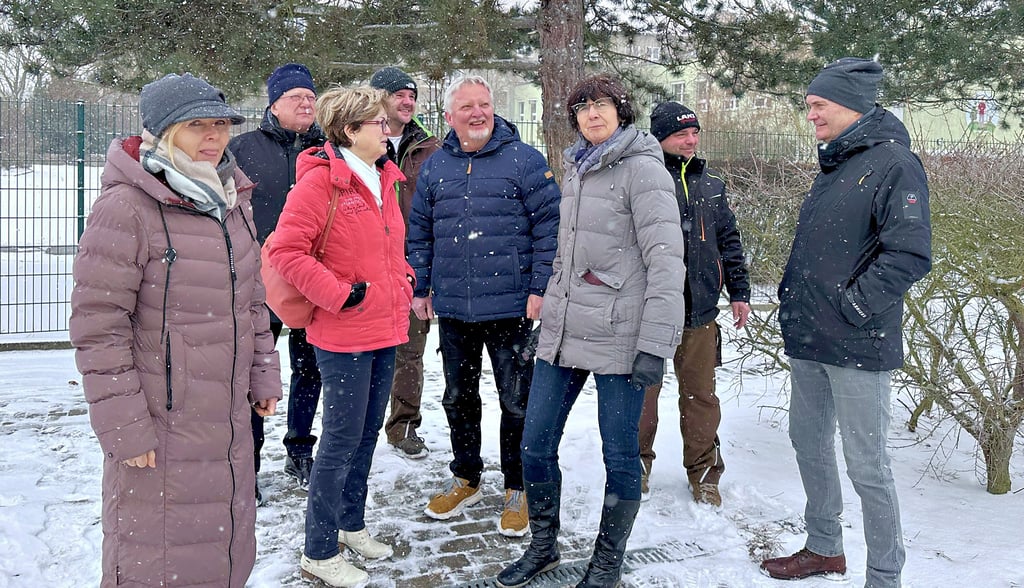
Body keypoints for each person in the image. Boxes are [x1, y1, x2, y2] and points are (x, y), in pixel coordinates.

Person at [69, 73, 282, 587]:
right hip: (160, 427)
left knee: (224, 547)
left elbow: (252, 300)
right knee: (158, 557)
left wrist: (263, 373)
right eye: (195, 126)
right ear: (161, 133)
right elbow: (98, 327)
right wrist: (125, 426)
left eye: (220, 125)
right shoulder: (126, 208)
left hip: (227, 420)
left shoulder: (231, 200)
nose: (213, 137)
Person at [497, 74, 685, 588]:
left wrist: (655, 345)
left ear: (621, 111)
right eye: (582, 108)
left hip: (622, 338)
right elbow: (566, 260)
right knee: (534, 446)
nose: (592, 115)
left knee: (619, 454)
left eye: (602, 105)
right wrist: (548, 324)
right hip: (565, 333)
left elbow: (667, 264)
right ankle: (543, 546)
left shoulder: (643, 171)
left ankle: (607, 563)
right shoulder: (579, 169)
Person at [760, 58, 931, 587]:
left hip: (860, 339)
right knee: (807, 442)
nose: (810, 115)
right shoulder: (837, 164)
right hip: (812, 337)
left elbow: (908, 254)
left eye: (818, 105)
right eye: (808, 105)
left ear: (852, 106)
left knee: (867, 466)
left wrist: (854, 307)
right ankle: (824, 548)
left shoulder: (895, 164)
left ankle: (884, 576)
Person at [268, 86, 412, 587]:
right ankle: (319, 549)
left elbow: (389, 248)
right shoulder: (320, 184)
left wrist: (405, 277)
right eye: (377, 122)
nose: (387, 128)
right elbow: (286, 251)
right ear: (350, 131)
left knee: (368, 433)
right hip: (343, 332)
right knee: (340, 440)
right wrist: (339, 294)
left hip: (386, 327)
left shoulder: (383, 177)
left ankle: (350, 523)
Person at [406, 75, 560, 537]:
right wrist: (421, 286)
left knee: (516, 401)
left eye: (485, 104)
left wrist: (540, 287)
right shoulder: (436, 167)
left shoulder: (526, 161)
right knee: (459, 397)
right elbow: (420, 231)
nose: (478, 113)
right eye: (467, 106)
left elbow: (550, 229)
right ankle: (466, 476)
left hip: (512, 306)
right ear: (449, 117)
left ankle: (518, 487)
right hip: (453, 308)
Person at [638, 101, 751, 506]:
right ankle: (636, 466)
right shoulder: (644, 179)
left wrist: (738, 291)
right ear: (660, 137)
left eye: (694, 132)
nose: (691, 140)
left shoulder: (711, 184)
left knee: (701, 396)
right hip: (649, 312)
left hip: (700, 311)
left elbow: (729, 242)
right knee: (642, 393)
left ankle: (704, 473)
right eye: (681, 133)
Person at [230, 63, 327, 493]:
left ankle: (300, 450)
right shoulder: (241, 148)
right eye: (295, 97)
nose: (306, 103)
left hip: (312, 278)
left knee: (311, 369)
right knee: (254, 369)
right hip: (257, 279)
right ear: (273, 103)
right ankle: (247, 462)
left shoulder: (329, 148)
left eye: (310, 96)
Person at [368, 66, 442, 459]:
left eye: (411, 94)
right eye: (399, 94)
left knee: (411, 350)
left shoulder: (431, 148)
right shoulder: (362, 142)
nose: (407, 100)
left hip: (414, 265)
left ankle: (403, 426)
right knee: (364, 351)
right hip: (367, 264)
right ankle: (358, 427)